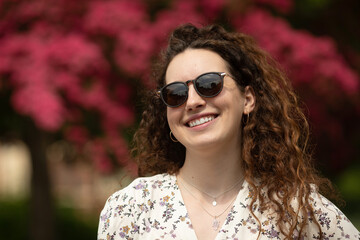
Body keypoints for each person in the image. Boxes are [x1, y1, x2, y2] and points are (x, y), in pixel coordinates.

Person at [97, 24, 360, 240]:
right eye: (175, 93)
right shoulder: (129, 209)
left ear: (248, 99)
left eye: (209, 84)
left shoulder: (297, 210)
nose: (192, 101)